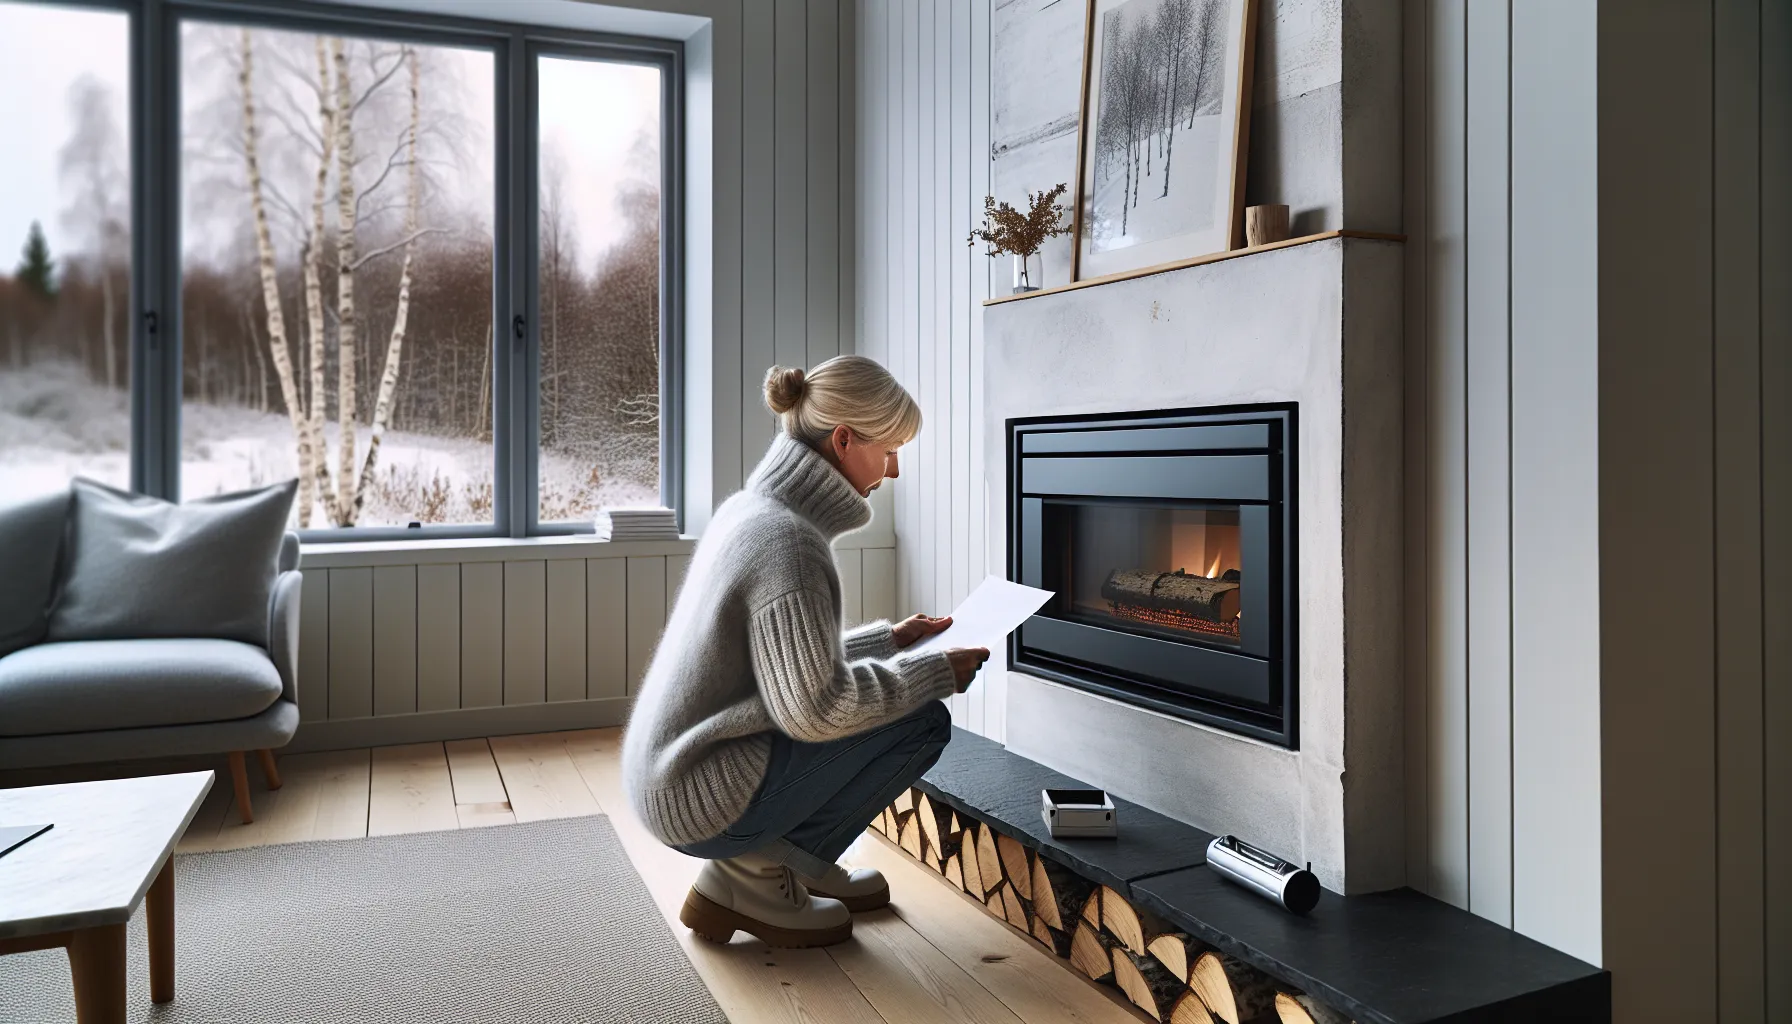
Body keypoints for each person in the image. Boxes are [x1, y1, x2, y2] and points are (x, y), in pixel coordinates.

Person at [622, 355, 989, 949]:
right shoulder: (788, 543)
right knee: (921, 722)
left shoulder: (753, 512)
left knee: (902, 708)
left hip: (673, 775)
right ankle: (763, 871)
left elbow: (768, 662)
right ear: (844, 440)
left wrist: (889, 641)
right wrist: (933, 673)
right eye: (889, 449)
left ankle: (776, 864)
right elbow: (813, 709)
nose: (893, 470)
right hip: (698, 794)